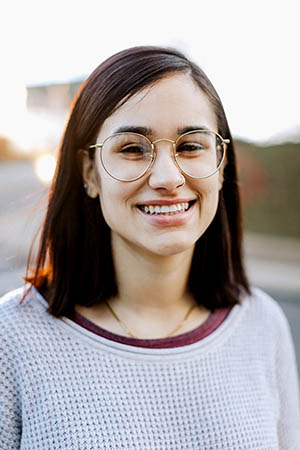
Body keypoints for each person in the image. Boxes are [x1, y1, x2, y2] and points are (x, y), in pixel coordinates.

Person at [0, 46, 299, 449]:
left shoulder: (263, 325)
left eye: (191, 146)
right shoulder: (13, 336)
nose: (167, 177)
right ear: (89, 173)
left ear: (222, 163)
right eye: (132, 149)